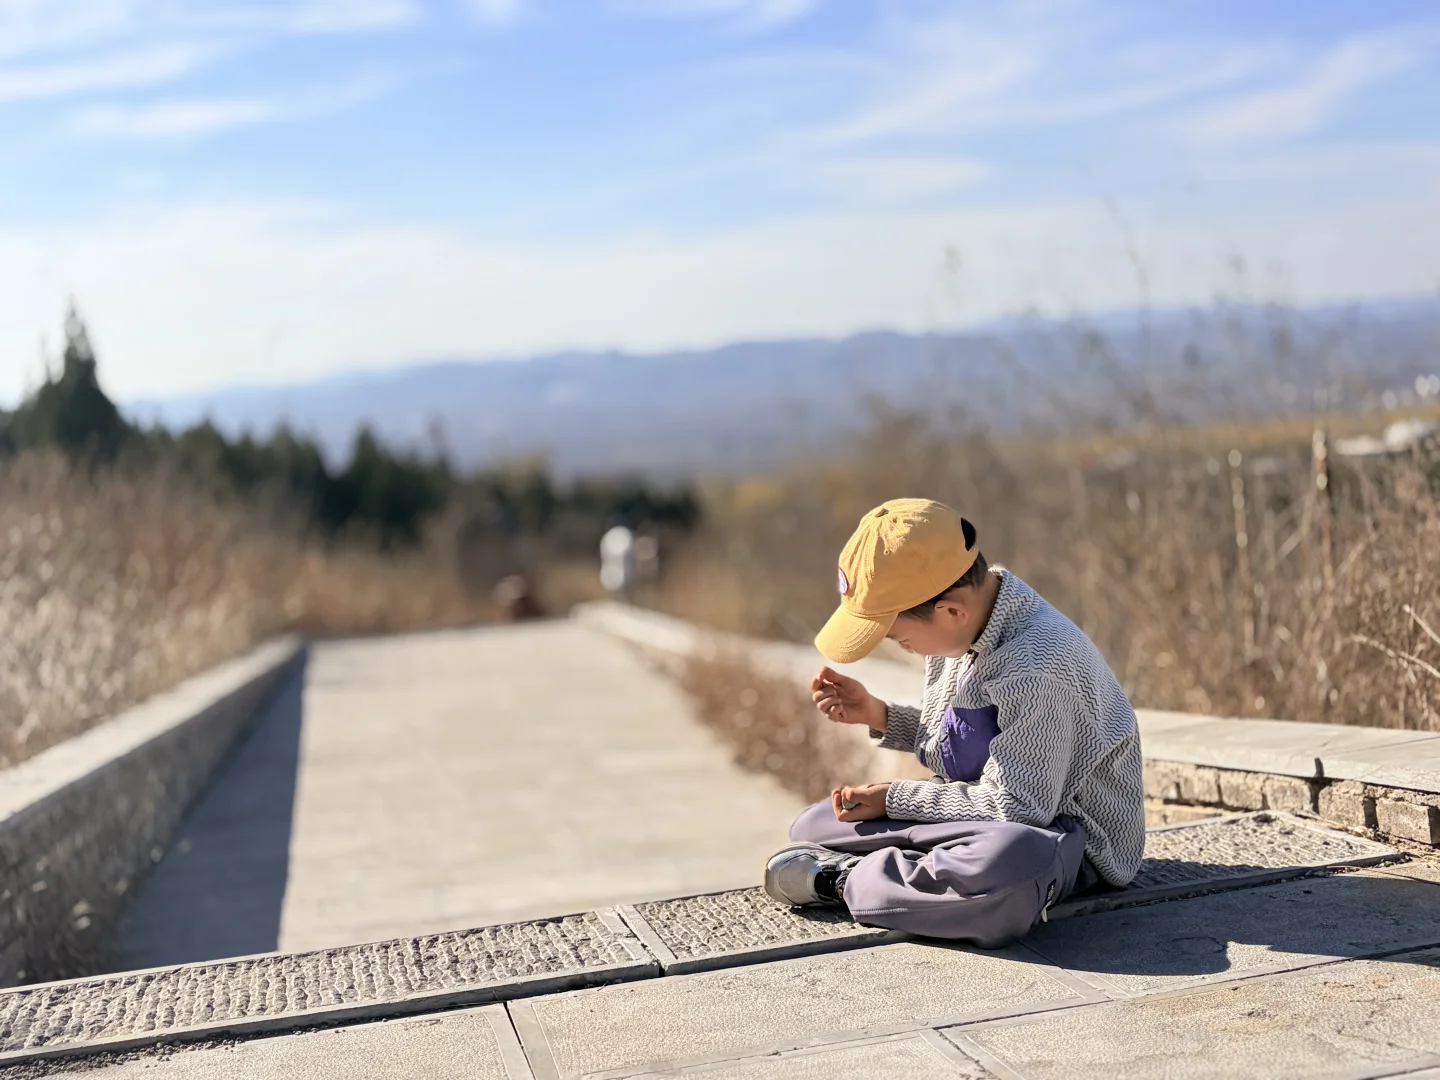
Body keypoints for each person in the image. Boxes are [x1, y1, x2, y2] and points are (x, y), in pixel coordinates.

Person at [762, 498, 1145, 947]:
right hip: (983, 815)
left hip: (1066, 838)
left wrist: (895, 799)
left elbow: (1019, 810)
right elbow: (963, 744)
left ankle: (844, 880)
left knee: (1006, 866)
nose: (897, 643)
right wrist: (877, 713)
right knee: (814, 825)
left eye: (896, 634)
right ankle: (917, 877)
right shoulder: (966, 630)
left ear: (950, 609)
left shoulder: (1037, 666)